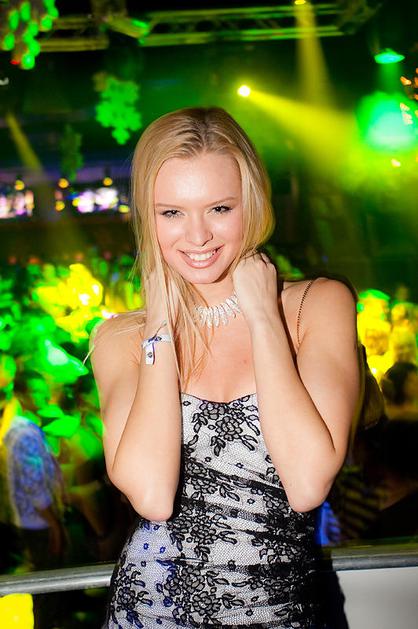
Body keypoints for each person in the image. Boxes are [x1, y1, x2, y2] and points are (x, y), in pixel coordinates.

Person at [91, 107, 360, 628]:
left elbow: (307, 483)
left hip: (281, 614)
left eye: (219, 208)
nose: (197, 236)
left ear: (250, 203)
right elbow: (152, 495)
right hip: (150, 612)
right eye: (171, 212)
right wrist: (160, 324)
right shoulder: (121, 339)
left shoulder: (316, 306)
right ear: (147, 216)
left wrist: (262, 317)